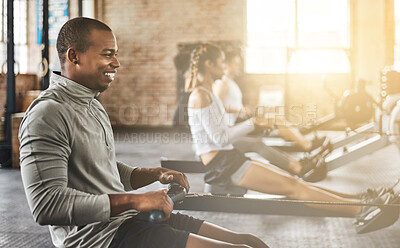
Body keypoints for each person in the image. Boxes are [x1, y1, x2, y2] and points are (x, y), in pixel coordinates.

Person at [19, 18, 269, 248]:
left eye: (115, 55)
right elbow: (47, 206)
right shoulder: (47, 114)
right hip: (99, 238)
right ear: (74, 56)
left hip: (127, 221)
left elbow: (96, 167)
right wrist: (135, 200)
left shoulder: (91, 105)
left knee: (250, 241)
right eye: (107, 55)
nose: (116, 63)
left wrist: (153, 174)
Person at [186, 43, 399, 233]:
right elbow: (221, 138)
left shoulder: (207, 93)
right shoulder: (200, 96)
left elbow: (222, 132)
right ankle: (362, 208)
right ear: (209, 64)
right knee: (295, 188)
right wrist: (254, 123)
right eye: (221, 62)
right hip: (221, 165)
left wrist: (252, 118)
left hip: (229, 158)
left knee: (295, 183)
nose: (224, 67)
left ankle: (361, 199)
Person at [212, 49, 327, 180]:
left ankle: (305, 144)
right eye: (236, 64)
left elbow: (232, 106)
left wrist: (246, 109)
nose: (238, 66)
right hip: (233, 127)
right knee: (273, 122)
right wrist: (242, 111)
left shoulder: (231, 83)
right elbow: (219, 107)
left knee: (276, 119)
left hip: (238, 122)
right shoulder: (222, 83)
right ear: (226, 64)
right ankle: (306, 146)